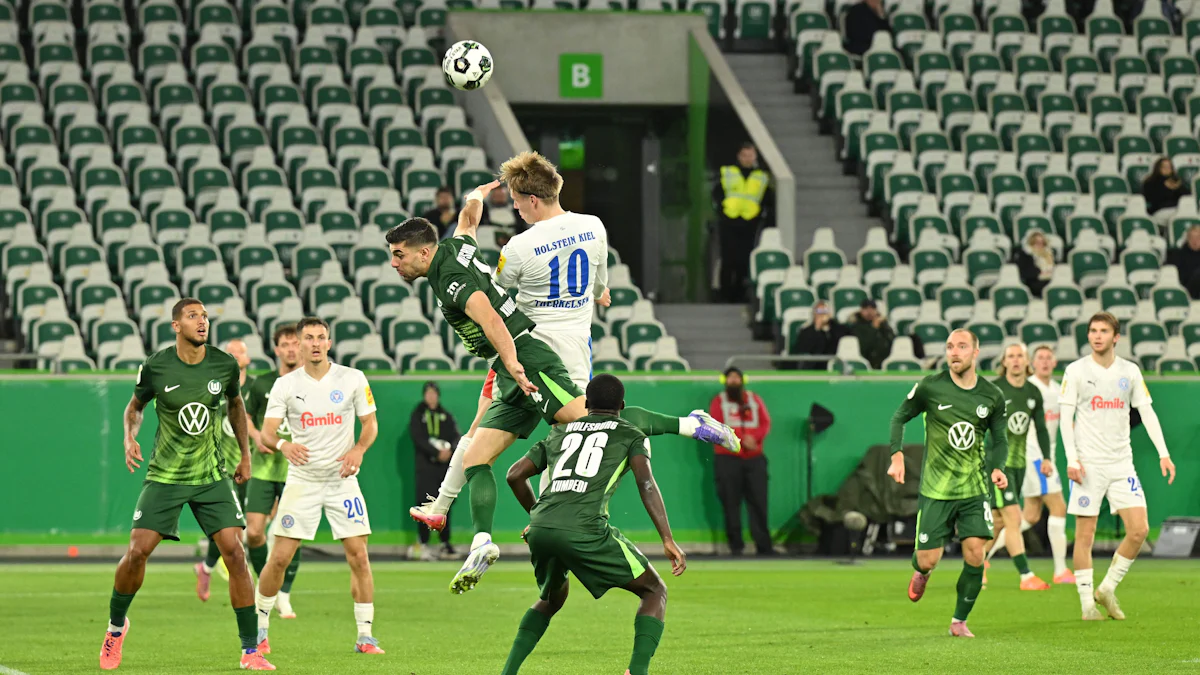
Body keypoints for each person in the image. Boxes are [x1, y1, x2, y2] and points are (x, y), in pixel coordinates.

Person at [387, 177, 739, 594]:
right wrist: (480, 192)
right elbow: (468, 217)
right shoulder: (455, 246)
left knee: (592, 422)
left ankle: (689, 423)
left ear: (423, 252)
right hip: (509, 365)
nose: (395, 263)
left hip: (526, 358)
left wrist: (516, 365)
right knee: (476, 459)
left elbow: (492, 320)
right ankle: (482, 542)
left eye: (398, 255)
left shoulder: (449, 279)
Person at [101, 298, 273, 671]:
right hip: (165, 475)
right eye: (193, 316)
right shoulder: (156, 366)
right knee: (136, 552)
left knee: (235, 552)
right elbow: (134, 407)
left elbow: (235, 406)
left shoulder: (224, 364)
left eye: (206, 316)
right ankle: (116, 628)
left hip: (211, 474)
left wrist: (244, 456)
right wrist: (130, 436)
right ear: (176, 325)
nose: (202, 321)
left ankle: (250, 650)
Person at [501, 374, 686, 675]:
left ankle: (507, 673)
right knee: (655, 590)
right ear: (622, 406)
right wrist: (667, 538)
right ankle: (637, 672)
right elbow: (646, 484)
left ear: (586, 404)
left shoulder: (560, 432)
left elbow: (514, 474)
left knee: (551, 599)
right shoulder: (631, 434)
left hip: (541, 528)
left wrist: (538, 516)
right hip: (586, 529)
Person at [255, 317, 384, 656]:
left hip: (342, 481)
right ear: (297, 344)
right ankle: (260, 628)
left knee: (359, 556)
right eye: (308, 337)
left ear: (329, 342)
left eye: (321, 337)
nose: (315, 343)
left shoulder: (353, 378)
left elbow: (370, 424)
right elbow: (268, 432)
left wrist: (358, 449)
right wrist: (284, 446)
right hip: (303, 481)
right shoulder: (285, 385)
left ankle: (365, 635)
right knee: (280, 557)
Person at [887, 328, 1009, 638]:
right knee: (930, 559)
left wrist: (998, 468)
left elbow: (1001, 439)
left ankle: (959, 621)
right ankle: (921, 570)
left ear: (975, 352)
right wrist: (896, 455)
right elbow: (899, 416)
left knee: (975, 554)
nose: (954, 352)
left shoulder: (992, 395)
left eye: (962, 346)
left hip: (974, 489)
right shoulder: (931, 387)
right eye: (950, 346)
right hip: (936, 489)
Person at [1060, 312, 1176, 621]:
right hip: (1088, 465)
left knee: (1138, 530)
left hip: (1122, 464)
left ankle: (1107, 588)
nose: (1097, 336)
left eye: (1103, 331)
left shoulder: (1130, 371)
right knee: (1085, 534)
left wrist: (1163, 453)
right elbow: (1064, 419)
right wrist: (1072, 458)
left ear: (1116, 337)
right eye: (1093, 331)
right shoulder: (1075, 371)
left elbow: (1147, 413)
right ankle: (1086, 604)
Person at [241, 325, 304, 618]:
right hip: (265, 469)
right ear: (276, 349)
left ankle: (285, 594)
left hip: (297, 471)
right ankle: (266, 582)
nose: (291, 349)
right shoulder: (262, 383)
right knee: (254, 532)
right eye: (285, 344)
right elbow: (246, 417)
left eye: (295, 343)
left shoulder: (311, 383)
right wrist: (257, 437)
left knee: (292, 534)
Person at [980, 342, 1052, 591]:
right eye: (1011, 356)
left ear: (1026, 361)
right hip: (998, 465)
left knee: (998, 522)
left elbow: (1040, 428)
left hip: (1019, 464)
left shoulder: (1033, 392)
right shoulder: (994, 390)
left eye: (1020, 355)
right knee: (1013, 517)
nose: (1016, 360)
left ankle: (976, 567)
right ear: (1004, 362)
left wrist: (1046, 458)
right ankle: (1025, 576)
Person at [193, 338, 251, 600]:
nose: (236, 355)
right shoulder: (214, 386)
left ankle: (205, 567)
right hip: (221, 468)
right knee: (231, 526)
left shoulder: (259, 388)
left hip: (253, 465)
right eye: (230, 352)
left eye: (240, 351)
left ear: (248, 358)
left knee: (241, 525)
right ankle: (234, 573)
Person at [1011, 345, 1074, 584]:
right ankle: (1060, 571)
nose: (1045, 362)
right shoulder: (1028, 388)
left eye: (1049, 358)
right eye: (1040, 358)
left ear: (1055, 362)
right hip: (1035, 457)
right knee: (1058, 507)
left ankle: (982, 556)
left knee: (1030, 516)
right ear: (1032, 363)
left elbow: (1065, 424)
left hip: (1047, 457)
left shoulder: (1058, 390)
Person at [708, 366, 774, 556]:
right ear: (725, 381)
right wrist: (739, 440)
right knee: (731, 503)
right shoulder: (718, 402)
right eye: (730, 378)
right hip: (727, 459)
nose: (734, 381)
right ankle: (736, 547)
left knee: (759, 502)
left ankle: (764, 546)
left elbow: (765, 422)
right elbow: (715, 425)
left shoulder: (754, 400)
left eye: (737, 378)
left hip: (754, 459)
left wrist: (754, 438)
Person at [713, 143, 772, 303]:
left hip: (749, 223)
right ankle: (724, 295)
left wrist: (762, 218)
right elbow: (717, 194)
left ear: (755, 157)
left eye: (750, 155)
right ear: (739, 156)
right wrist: (720, 211)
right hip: (728, 221)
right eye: (744, 155)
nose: (747, 159)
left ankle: (739, 294)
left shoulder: (761, 177)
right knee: (727, 259)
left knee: (744, 260)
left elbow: (767, 200)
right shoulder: (728, 173)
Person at [409, 380, 460, 559]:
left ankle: (444, 544)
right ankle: (423, 543)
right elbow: (418, 438)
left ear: (438, 395)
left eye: (434, 393)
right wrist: (436, 452)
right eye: (428, 393)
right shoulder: (418, 415)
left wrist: (450, 451)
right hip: (425, 468)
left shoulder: (446, 415)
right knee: (424, 505)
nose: (431, 396)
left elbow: (456, 436)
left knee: (444, 505)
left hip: (443, 469)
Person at [791, 301, 844, 370]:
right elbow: (803, 349)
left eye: (825, 311)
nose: (822, 314)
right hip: (814, 364)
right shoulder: (806, 331)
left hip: (834, 361)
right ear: (814, 314)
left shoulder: (837, 328)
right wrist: (817, 329)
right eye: (819, 312)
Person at [1142, 157, 1190, 227]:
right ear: (1158, 168)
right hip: (1159, 211)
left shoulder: (1177, 182)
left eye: (1169, 167)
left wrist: (1177, 188)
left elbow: (1187, 197)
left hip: (1178, 209)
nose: (1167, 169)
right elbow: (1152, 199)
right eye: (1164, 167)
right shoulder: (1151, 182)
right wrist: (1166, 188)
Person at [848, 300, 895, 369]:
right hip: (867, 362)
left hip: (884, 361)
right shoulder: (856, 326)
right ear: (861, 311)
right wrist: (874, 328)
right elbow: (863, 346)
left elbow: (892, 339)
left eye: (872, 309)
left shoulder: (883, 324)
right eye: (866, 309)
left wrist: (884, 325)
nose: (869, 312)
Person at [1015, 230, 1054, 298]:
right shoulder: (1025, 255)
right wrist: (1039, 272)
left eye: (1042, 243)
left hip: (1051, 281)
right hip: (1035, 284)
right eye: (1037, 242)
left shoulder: (1049, 254)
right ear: (1031, 243)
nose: (1040, 245)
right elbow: (1024, 273)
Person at [1166, 223, 1200, 299]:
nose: (1195, 241)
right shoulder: (1177, 255)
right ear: (1187, 239)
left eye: (1198, 238)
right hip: (1185, 290)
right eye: (1192, 238)